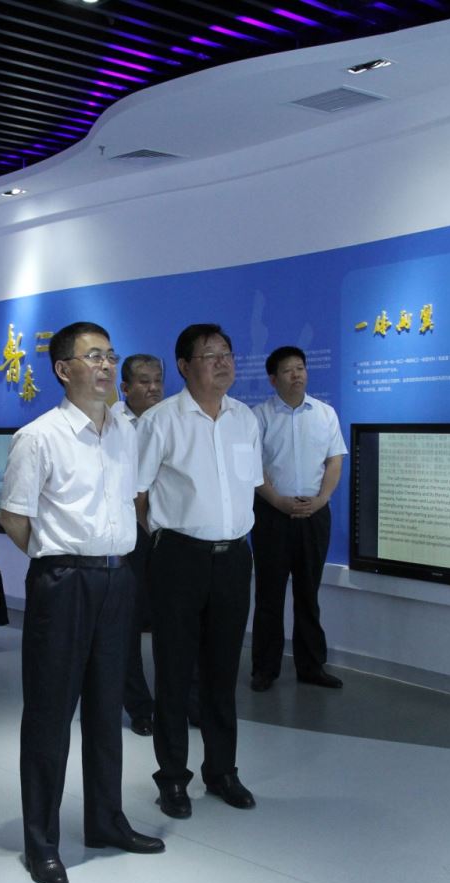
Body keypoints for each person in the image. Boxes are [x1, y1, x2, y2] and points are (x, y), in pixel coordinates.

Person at [1, 323, 165, 883]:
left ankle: (106, 819)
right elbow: (14, 518)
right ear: (63, 369)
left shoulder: (124, 431)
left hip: (118, 578)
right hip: (64, 580)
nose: (106, 366)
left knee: (106, 708)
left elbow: (133, 500)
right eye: (93, 357)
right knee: (50, 715)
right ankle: (41, 840)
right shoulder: (39, 437)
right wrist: (59, 559)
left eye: (110, 356)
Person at [135, 324, 264, 818]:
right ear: (184, 366)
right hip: (179, 558)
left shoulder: (244, 418)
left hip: (234, 558)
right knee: (174, 671)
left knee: (223, 671)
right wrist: (161, 540)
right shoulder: (161, 421)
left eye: (227, 353)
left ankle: (222, 771)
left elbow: (248, 484)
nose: (223, 362)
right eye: (210, 355)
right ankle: (172, 778)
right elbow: (137, 494)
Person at [251, 346, 347, 691]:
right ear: (273, 379)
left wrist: (321, 500)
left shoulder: (325, 413)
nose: (297, 375)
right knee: (269, 595)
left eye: (301, 368)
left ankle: (311, 666)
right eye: (288, 370)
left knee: (308, 593)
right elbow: (253, 467)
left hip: (313, 514)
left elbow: (334, 461)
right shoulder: (258, 416)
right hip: (271, 514)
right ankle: (265, 669)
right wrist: (277, 500)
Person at [110, 354, 164, 736]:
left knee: (174, 621)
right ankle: (139, 706)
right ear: (125, 388)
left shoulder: (173, 418)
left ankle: (183, 700)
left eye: (158, 380)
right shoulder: (111, 424)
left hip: (169, 532)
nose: (154, 388)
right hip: (129, 535)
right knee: (127, 627)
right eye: (144, 381)